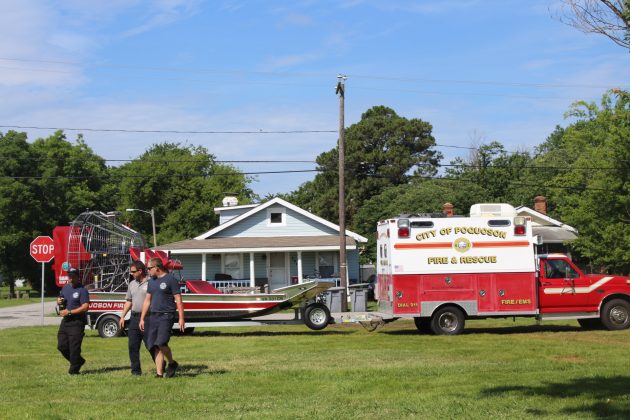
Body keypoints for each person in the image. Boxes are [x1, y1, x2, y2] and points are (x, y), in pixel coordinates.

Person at [140, 257, 185, 378]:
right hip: (153, 315)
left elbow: (179, 300)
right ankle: (159, 374)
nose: (148, 271)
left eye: (149, 268)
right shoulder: (151, 282)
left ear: (157, 268)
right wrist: (142, 318)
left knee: (161, 342)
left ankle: (172, 363)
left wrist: (181, 318)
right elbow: (147, 300)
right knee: (154, 345)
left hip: (166, 315)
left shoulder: (171, 280)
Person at [119, 260, 152, 375]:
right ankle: (136, 371)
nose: (131, 273)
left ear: (140, 271)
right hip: (134, 318)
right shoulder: (132, 284)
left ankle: (160, 365)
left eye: (133, 271)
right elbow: (129, 301)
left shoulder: (151, 282)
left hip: (148, 318)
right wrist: (122, 316)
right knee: (132, 346)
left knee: (150, 345)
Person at [57, 267, 90, 375]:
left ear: (77, 277)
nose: (70, 278)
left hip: (77, 322)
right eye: (69, 276)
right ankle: (78, 361)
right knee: (61, 346)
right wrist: (59, 301)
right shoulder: (65, 287)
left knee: (74, 348)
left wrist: (70, 312)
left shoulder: (82, 290)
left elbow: (85, 307)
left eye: (72, 276)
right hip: (66, 321)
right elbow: (60, 298)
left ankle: (74, 371)